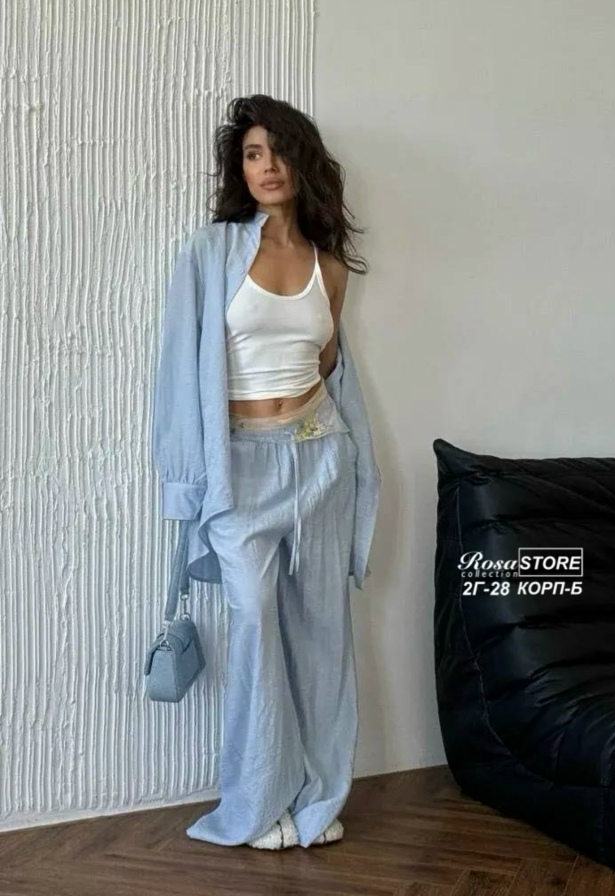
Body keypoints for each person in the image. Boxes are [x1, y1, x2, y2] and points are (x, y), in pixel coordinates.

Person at [151, 95, 381, 850]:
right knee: (254, 623)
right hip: (239, 469)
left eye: (279, 151)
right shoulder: (209, 252)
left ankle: (318, 795)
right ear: (240, 169)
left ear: (301, 161)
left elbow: (326, 364)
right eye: (253, 154)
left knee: (321, 637)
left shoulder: (329, 265)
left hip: (319, 458)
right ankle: (256, 800)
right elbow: (179, 373)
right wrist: (184, 482)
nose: (268, 166)